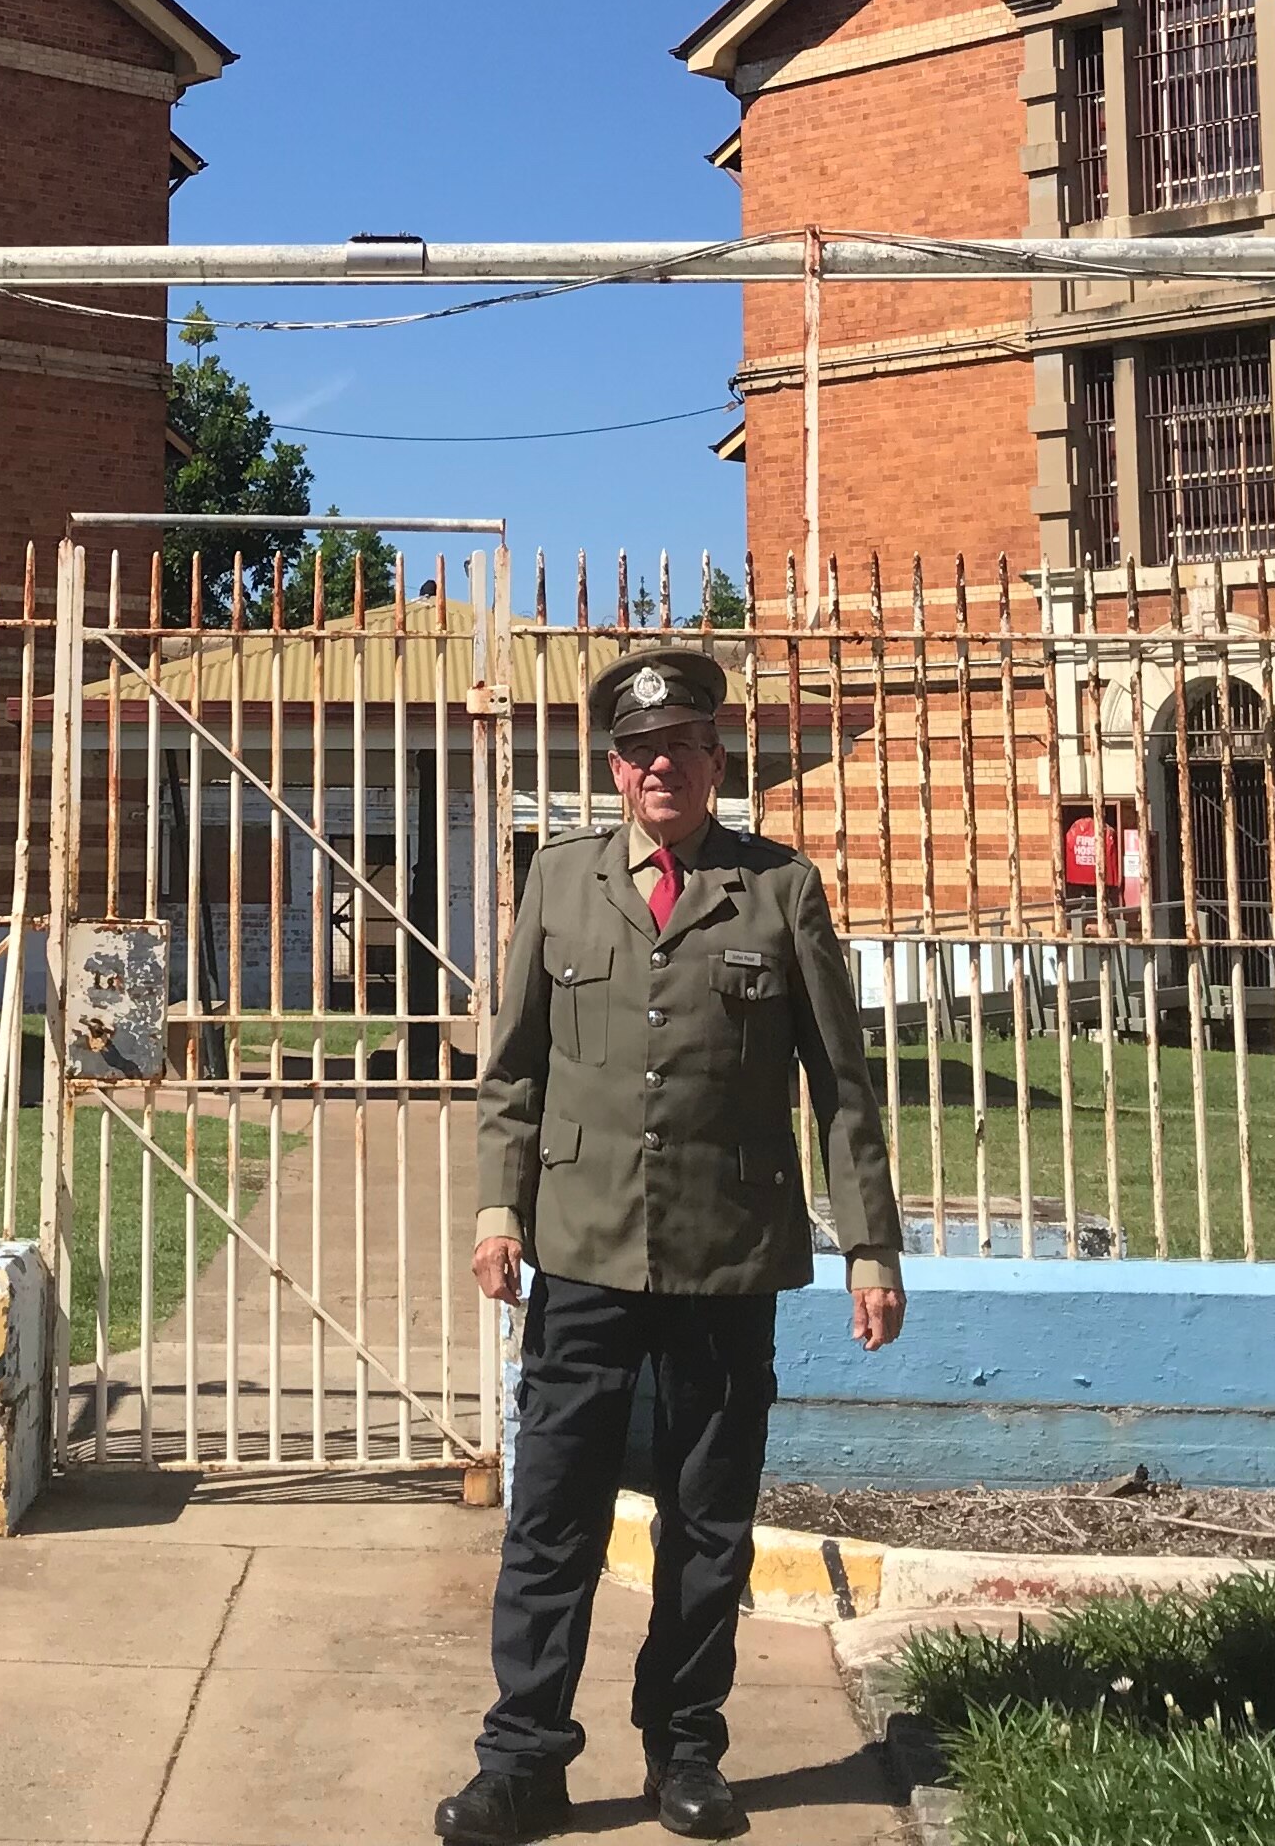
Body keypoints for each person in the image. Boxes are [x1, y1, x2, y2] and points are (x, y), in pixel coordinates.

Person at [438, 648, 905, 1844]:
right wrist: (498, 1213)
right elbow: (513, 1072)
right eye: (640, 752)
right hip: (583, 1250)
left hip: (724, 1259)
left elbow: (841, 1086)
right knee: (553, 1517)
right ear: (614, 768)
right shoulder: (560, 878)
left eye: (683, 748)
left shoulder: (780, 890)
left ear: (714, 760)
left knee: (709, 1519)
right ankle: (522, 1758)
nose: (662, 768)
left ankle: (686, 1749)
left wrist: (871, 1246)